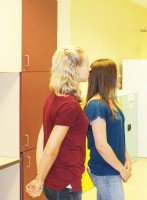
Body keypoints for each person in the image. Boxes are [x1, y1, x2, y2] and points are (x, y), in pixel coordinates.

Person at [26, 46, 90, 199]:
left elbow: (43, 137)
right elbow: (50, 149)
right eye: (87, 64)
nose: (90, 68)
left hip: (54, 181)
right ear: (75, 68)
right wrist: (39, 179)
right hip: (65, 184)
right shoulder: (69, 105)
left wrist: (39, 175)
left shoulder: (54, 96)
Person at [84, 59, 132, 200]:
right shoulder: (96, 105)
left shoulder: (109, 100)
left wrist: (126, 157)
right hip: (105, 170)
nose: (119, 76)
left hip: (112, 168)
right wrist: (121, 170)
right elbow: (101, 146)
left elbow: (116, 136)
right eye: (116, 72)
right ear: (106, 76)